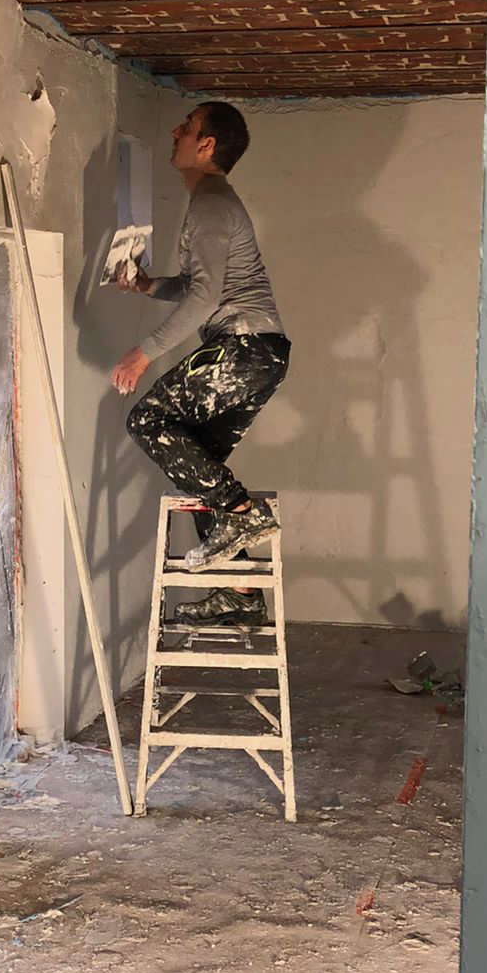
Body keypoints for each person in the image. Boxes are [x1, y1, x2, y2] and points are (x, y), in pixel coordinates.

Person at [109, 102, 290, 625]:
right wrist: (148, 285)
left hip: (244, 347)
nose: (175, 131)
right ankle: (238, 589)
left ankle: (242, 515)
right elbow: (196, 287)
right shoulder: (210, 203)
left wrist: (145, 351)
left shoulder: (211, 202)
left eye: (185, 127)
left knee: (147, 420)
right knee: (198, 463)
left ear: (206, 146)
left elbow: (207, 297)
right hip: (259, 353)